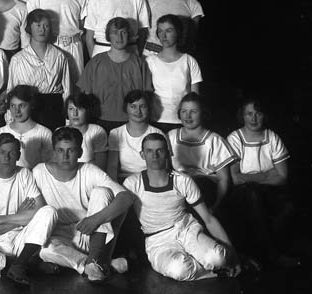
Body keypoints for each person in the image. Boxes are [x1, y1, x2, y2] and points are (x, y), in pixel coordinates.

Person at [123, 133, 241, 280]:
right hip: (158, 240)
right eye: (149, 151)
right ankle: (212, 271)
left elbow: (208, 218)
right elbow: (119, 219)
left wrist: (234, 256)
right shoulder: (132, 183)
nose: (155, 155)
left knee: (219, 258)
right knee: (179, 270)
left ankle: (212, 263)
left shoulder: (183, 180)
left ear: (168, 153)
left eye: (160, 150)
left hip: (187, 230)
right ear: (142, 155)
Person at [32, 127, 133, 282]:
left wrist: (95, 219)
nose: (65, 156)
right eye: (60, 150)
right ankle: (99, 264)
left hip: (89, 233)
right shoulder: (39, 172)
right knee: (45, 251)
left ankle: (94, 260)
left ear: (80, 152)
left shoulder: (89, 170)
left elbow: (126, 197)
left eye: (71, 150)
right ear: (53, 152)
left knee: (102, 192)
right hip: (58, 237)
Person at [0, 133, 58, 284]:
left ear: (18, 155)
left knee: (49, 211)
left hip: (23, 239)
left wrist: (1, 219)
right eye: (2, 153)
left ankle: (19, 264)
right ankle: (25, 265)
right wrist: (19, 218)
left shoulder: (24, 174)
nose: (6, 158)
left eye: (11, 153)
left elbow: (40, 210)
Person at [227, 99, 297, 267]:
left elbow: (282, 177)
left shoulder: (272, 137)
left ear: (264, 115)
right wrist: (266, 174)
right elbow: (235, 178)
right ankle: (271, 255)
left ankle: (261, 254)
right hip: (242, 193)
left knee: (289, 205)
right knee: (253, 195)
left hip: (269, 190)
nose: (254, 118)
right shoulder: (235, 138)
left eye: (258, 113)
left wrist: (250, 176)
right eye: (249, 114)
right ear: (242, 116)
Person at [78, 17, 153, 132]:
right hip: (100, 120)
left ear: (129, 35)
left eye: (123, 32)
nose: (119, 37)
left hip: (131, 121)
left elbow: (147, 95)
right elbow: (86, 94)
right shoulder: (96, 61)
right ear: (108, 36)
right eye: (114, 33)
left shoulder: (138, 63)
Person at [26, 0, 88, 82]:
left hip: (74, 48)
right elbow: (31, 30)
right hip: (48, 47)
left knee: (76, 88)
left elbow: (85, 27)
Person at [167, 93, 235, 212]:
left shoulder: (214, 140)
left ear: (203, 113)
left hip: (204, 187)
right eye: (184, 111)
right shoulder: (171, 136)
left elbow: (223, 179)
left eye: (193, 111)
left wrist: (216, 207)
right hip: (178, 186)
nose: (188, 116)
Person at [7, 8, 72, 130]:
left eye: (46, 26)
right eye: (38, 25)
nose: (42, 30)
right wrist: (11, 119)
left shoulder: (59, 56)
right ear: (29, 28)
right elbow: (12, 90)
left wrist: (67, 118)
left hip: (53, 109)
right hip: (28, 109)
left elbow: (67, 89)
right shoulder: (18, 59)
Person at [146, 15, 202, 130]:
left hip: (183, 121)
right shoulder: (150, 61)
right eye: (160, 31)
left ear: (178, 32)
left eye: (168, 31)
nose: (163, 35)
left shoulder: (189, 61)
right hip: (156, 121)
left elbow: (194, 98)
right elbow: (146, 93)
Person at [107, 90, 163, 182]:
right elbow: (112, 167)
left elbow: (163, 165)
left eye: (142, 106)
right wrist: (115, 187)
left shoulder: (157, 133)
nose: (138, 111)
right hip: (123, 180)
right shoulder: (116, 133)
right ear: (126, 108)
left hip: (150, 180)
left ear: (148, 108)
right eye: (133, 106)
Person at [0, 86, 53, 169]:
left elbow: (50, 164)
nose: (17, 111)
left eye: (21, 105)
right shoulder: (0, 132)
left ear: (31, 105)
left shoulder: (44, 133)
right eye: (13, 106)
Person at [65, 93, 108, 169]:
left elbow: (100, 166)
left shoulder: (97, 131)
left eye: (80, 109)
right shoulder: (60, 131)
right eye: (71, 109)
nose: (75, 113)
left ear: (88, 110)